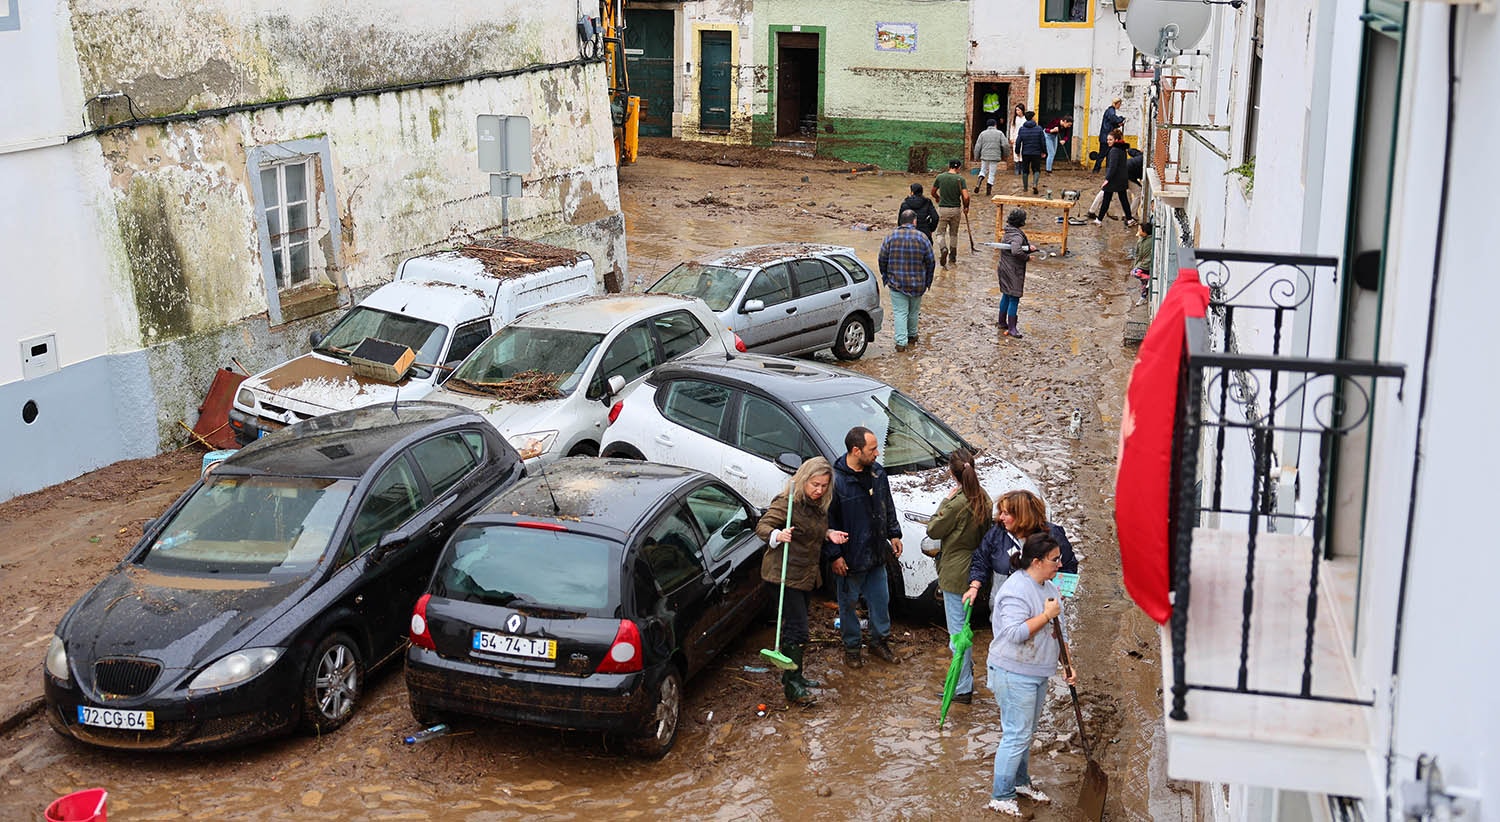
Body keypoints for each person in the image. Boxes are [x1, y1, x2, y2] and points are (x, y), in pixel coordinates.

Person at [964, 532, 1074, 817]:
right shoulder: (1015, 590)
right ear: (1036, 561)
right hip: (1013, 672)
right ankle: (1000, 794)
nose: (1060, 564)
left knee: (1026, 733)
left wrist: (1067, 663)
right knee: (1016, 734)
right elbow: (1014, 633)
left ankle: (1021, 782)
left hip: (1036, 671)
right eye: (1054, 559)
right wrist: (1047, 615)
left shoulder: (1048, 585)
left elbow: (1057, 630)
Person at [756, 457, 849, 705]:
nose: (819, 490)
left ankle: (794, 675)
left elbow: (812, 530)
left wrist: (829, 534)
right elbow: (762, 526)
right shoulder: (787, 503)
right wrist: (778, 534)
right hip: (783, 575)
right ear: (803, 480)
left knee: (797, 626)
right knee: (797, 629)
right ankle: (793, 685)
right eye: (815, 485)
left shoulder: (818, 505)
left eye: (824, 486)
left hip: (805, 574)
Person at [826, 426, 904, 668]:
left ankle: (879, 641)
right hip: (850, 558)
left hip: (876, 553)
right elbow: (828, 523)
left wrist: (894, 533)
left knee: (881, 601)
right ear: (856, 450)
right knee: (848, 604)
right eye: (873, 449)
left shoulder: (877, 473)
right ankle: (852, 647)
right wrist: (835, 556)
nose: (878, 453)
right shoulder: (836, 482)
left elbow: (886, 504)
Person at [923, 448, 992, 705]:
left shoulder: (957, 502)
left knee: (957, 635)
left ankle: (962, 687)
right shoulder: (984, 498)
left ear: (952, 474)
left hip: (954, 573)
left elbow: (933, 529)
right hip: (975, 569)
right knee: (966, 627)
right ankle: (966, 678)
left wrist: (946, 501)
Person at [968, 490, 1080, 592]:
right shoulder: (997, 532)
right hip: (1004, 605)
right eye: (1001, 512)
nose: (1001, 517)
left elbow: (1069, 567)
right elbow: (981, 559)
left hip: (1042, 606)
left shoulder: (1053, 535)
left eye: (1006, 513)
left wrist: (1059, 594)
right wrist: (974, 586)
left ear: (1022, 516)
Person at [877, 209, 936, 352]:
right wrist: (928, 281)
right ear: (914, 221)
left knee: (900, 312)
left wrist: (886, 277)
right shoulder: (922, 237)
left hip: (896, 282)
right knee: (914, 312)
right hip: (918, 283)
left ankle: (901, 343)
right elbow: (931, 261)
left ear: (900, 221)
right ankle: (912, 336)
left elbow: (882, 259)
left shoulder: (891, 237)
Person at [996, 208, 1038, 340]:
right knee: (1014, 297)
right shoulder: (1017, 235)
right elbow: (1016, 250)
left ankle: (1002, 322)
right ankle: (1012, 328)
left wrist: (1028, 248)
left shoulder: (1008, 232)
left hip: (1003, 267)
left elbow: (1016, 248)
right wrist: (1027, 257)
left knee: (1006, 295)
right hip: (1013, 270)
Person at [931, 159, 970, 270]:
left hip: (943, 209)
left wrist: (937, 197)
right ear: (958, 168)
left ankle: (943, 248)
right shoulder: (960, 179)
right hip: (956, 209)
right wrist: (966, 207)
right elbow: (966, 197)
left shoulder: (940, 177)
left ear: (949, 166)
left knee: (940, 233)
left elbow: (933, 192)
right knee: (953, 234)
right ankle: (952, 257)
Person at [1096, 129, 1135, 226]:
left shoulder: (1114, 151)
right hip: (1121, 178)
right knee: (1123, 199)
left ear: (1116, 140)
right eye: (1108, 140)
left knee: (1106, 199)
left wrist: (1107, 179)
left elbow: (1112, 167)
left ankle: (1099, 220)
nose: (1108, 141)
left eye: (1110, 140)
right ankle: (1129, 219)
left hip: (1114, 179)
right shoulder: (1122, 149)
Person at [973, 118, 1011, 198]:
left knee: (983, 170)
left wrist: (976, 157)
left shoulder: (982, 134)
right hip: (995, 156)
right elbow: (1005, 145)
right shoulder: (999, 133)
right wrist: (1006, 154)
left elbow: (977, 146)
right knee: (991, 173)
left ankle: (979, 180)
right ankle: (988, 190)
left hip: (984, 155)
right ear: (995, 125)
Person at [1015, 112, 1046, 195]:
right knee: (1036, 169)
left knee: (1025, 170)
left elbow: (1018, 141)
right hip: (1036, 152)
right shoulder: (1039, 129)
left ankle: (1025, 188)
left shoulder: (1022, 129)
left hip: (1025, 153)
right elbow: (1042, 142)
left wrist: (1017, 151)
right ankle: (1035, 184)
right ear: (1032, 118)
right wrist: (1044, 151)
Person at [1092, 97, 1125, 173]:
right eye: (1119, 104)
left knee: (1106, 154)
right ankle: (1097, 169)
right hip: (1106, 137)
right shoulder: (1111, 111)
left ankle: (1102, 169)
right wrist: (1121, 119)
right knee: (1104, 154)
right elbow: (1114, 119)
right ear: (1117, 104)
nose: (1119, 106)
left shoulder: (1109, 111)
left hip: (1105, 136)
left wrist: (1118, 124)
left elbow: (1111, 123)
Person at [1131, 220, 1154, 301]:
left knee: (1134, 273)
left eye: (1140, 229)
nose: (1138, 231)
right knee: (1143, 283)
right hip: (1141, 264)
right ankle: (1143, 297)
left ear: (1145, 232)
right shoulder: (1141, 240)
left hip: (1145, 265)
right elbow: (1138, 253)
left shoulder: (1151, 240)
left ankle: (1150, 278)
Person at [1009, 103, 1027, 177]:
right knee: (1016, 152)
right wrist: (1011, 137)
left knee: (1022, 153)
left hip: (1024, 138)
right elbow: (1012, 128)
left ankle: (1022, 168)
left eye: (1018, 110)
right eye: (1016, 110)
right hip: (1016, 137)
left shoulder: (1025, 119)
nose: (1017, 111)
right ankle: (1016, 168)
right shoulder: (1014, 119)